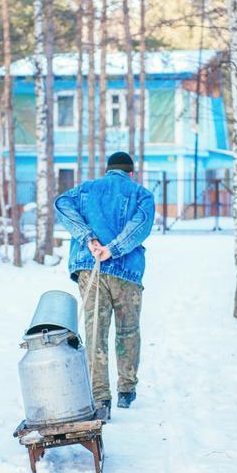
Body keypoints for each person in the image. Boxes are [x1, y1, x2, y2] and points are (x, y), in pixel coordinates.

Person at [54, 152, 155, 417]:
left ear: (108, 170)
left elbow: (61, 204)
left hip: (91, 270)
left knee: (95, 332)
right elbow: (141, 224)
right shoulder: (141, 194)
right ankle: (126, 391)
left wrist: (87, 238)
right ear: (130, 173)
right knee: (128, 331)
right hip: (126, 274)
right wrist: (116, 248)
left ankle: (100, 399)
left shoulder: (86, 189)